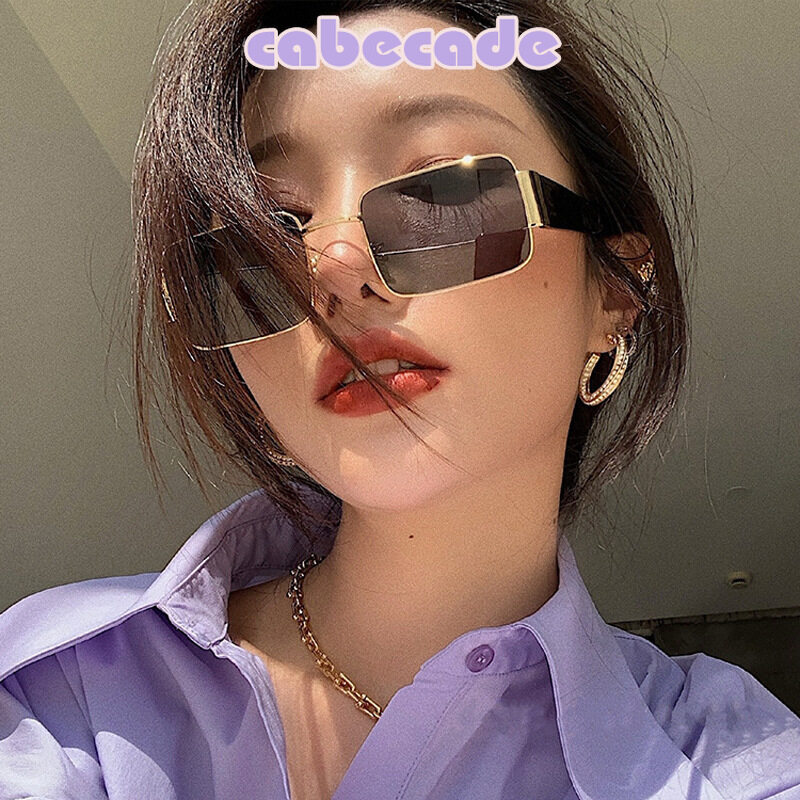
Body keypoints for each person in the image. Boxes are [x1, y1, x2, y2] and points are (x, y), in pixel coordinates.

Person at [2, 2, 799, 799]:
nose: (331, 267)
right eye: (267, 233)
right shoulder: (59, 703)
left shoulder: (719, 761)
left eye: (446, 196)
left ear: (614, 291)